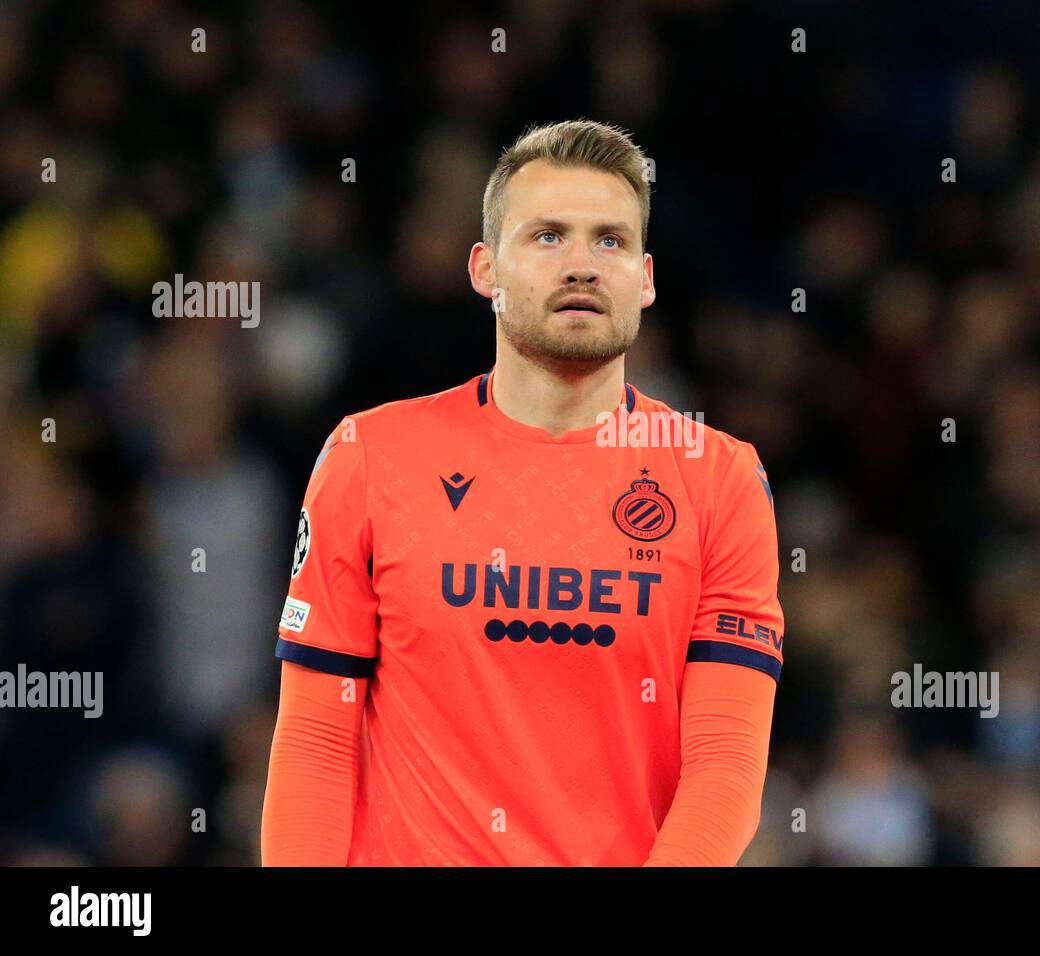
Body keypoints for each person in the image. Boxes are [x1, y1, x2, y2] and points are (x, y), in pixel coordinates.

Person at [261, 119, 784, 865]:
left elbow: (725, 767)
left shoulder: (718, 478)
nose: (582, 264)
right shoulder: (369, 457)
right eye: (546, 236)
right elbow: (315, 740)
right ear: (485, 270)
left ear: (646, 277)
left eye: (610, 240)